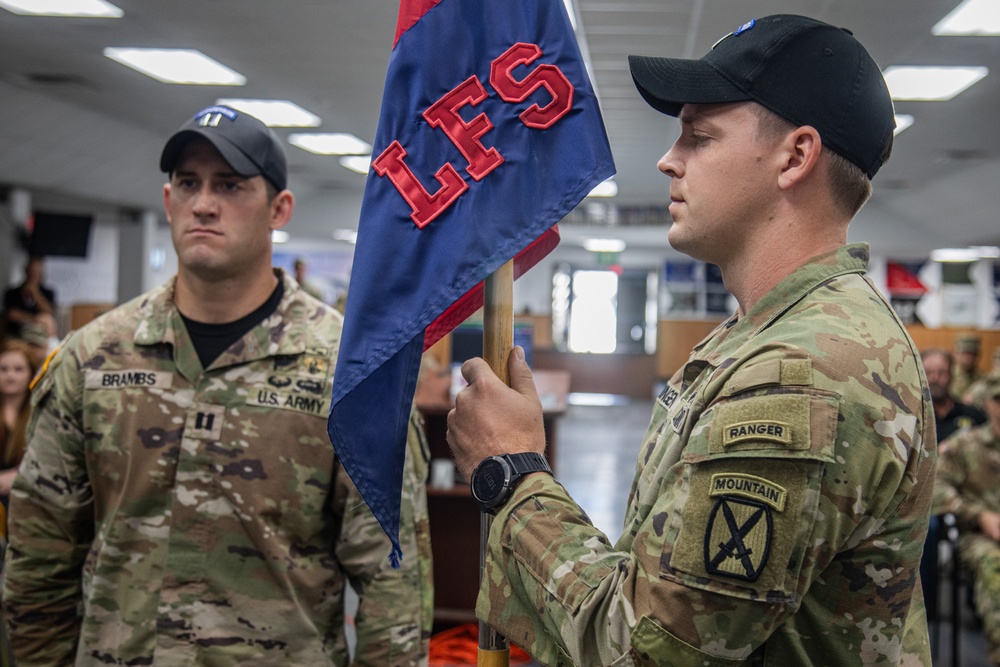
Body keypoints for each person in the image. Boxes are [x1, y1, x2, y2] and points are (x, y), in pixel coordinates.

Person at [446, 15, 934, 666]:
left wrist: (510, 471)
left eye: (699, 136)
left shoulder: (805, 368)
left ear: (795, 155)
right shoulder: (771, 334)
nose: (668, 159)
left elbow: (646, 648)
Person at [2, 105, 432, 666]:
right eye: (188, 183)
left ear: (279, 208)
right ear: (167, 201)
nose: (204, 203)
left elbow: (393, 581)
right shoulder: (93, 358)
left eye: (230, 185)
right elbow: (40, 551)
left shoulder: (349, 372)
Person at [934, 372, 1000, 666]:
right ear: (987, 403)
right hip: (981, 538)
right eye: (999, 399)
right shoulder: (965, 444)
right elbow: (934, 488)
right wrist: (978, 515)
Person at [918, 347, 985, 624]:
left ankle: (980, 607)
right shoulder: (914, 416)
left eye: (942, 373)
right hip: (928, 499)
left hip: (970, 495)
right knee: (928, 530)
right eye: (930, 372)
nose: (936, 378)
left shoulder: (972, 416)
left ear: (951, 375)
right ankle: (928, 612)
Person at [0, 339, 37, 508]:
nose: (10, 376)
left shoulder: (40, 413)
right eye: (3, 369)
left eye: (18, 369)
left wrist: (20, 475)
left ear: (31, 373)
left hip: (27, 502)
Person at [2, 256, 56, 340]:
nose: (35, 275)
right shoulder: (11, 293)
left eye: (38, 272)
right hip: (16, 335)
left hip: (40, 336)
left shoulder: (48, 293)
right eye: (32, 271)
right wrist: (36, 319)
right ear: (26, 271)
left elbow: (48, 312)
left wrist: (35, 292)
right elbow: (12, 315)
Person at [952, 333, 983, 402]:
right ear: (956, 353)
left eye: (973, 354)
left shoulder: (983, 379)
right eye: (966, 353)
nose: (969, 357)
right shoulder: (948, 376)